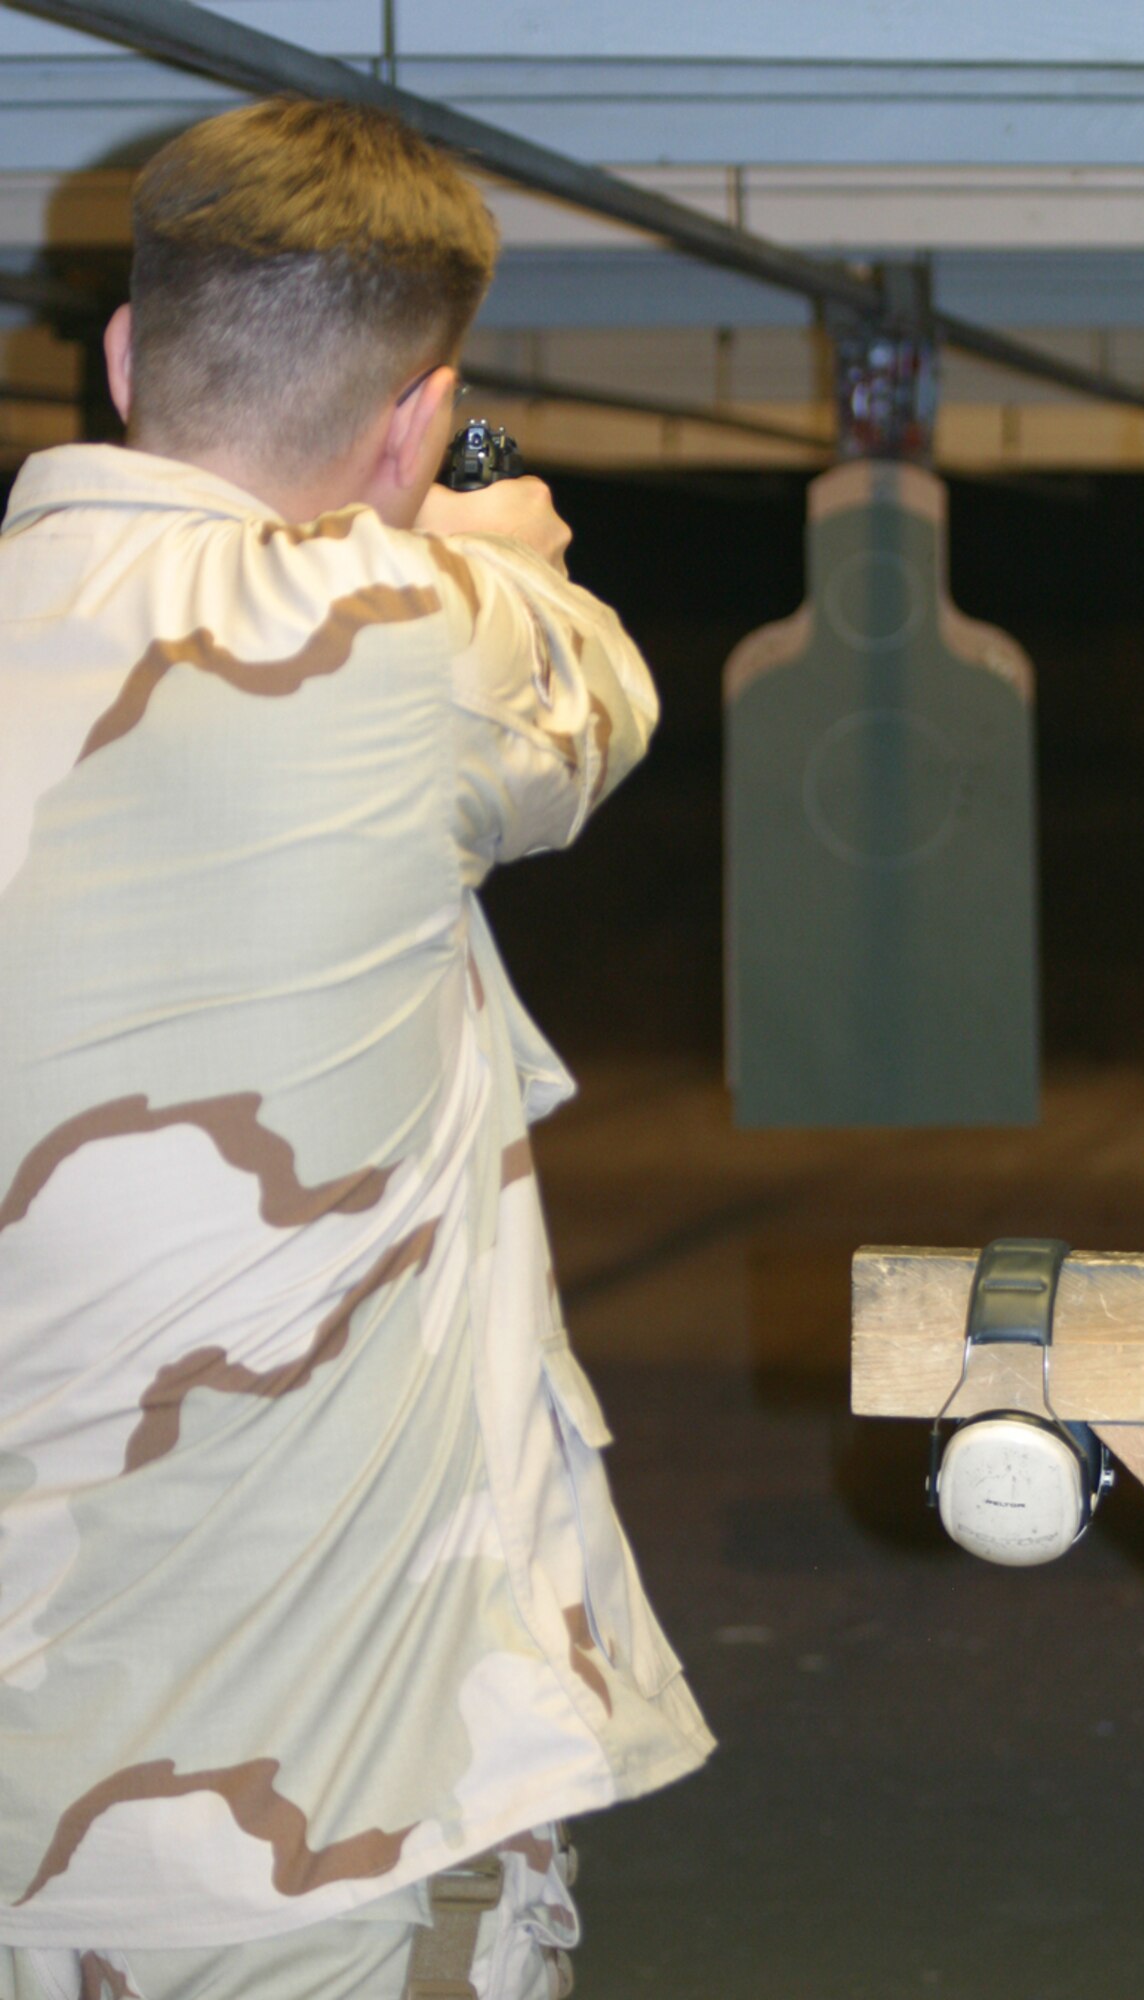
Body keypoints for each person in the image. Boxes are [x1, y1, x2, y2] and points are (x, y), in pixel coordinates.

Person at [0, 96, 713, 2000]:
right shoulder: (420, 628)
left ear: (127, 356)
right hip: (292, 1842)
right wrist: (484, 527)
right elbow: (592, 679)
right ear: (415, 418)